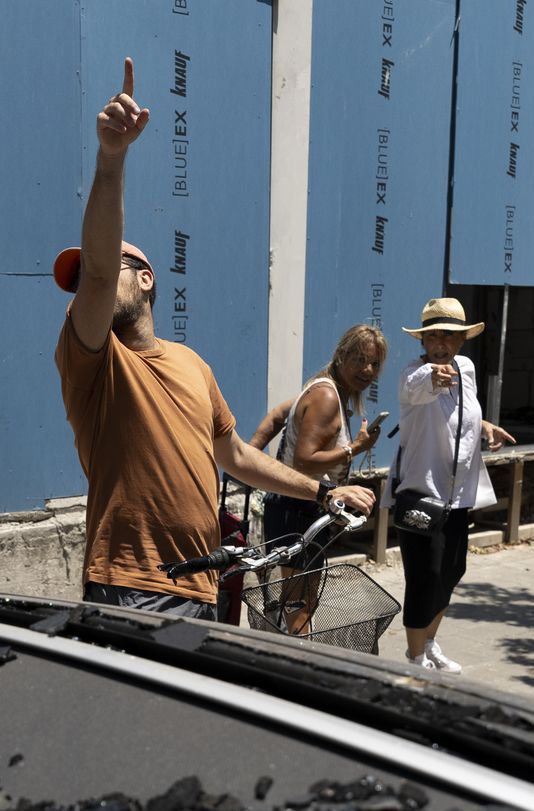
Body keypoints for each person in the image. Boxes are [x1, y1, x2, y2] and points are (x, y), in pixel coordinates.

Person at [55, 57, 376, 619]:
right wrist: (111, 159)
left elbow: (236, 456)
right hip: (132, 587)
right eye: (79, 282)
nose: (88, 286)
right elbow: (103, 271)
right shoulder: (95, 361)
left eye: (101, 272)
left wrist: (321, 492)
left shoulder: (191, 364)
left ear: (148, 279)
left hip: (203, 584)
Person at [391, 298, 514, 673]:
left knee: (451, 572)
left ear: (462, 340)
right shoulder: (414, 374)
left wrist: (486, 427)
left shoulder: (466, 367)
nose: (441, 344)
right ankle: (414, 659)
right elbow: (419, 389)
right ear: (423, 341)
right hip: (421, 491)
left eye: (450, 336)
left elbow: (465, 412)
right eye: (433, 336)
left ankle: (428, 643)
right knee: (423, 576)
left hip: (459, 493)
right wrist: (434, 377)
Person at [245, 324, 387, 633]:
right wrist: (355, 448)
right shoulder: (326, 396)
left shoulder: (321, 388)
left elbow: (277, 416)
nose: (367, 369)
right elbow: (305, 461)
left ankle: (287, 656)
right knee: (301, 606)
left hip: (296, 507)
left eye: (374, 363)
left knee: (298, 601)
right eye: (359, 359)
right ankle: (295, 666)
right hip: (298, 509)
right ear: (341, 356)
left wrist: (251, 457)